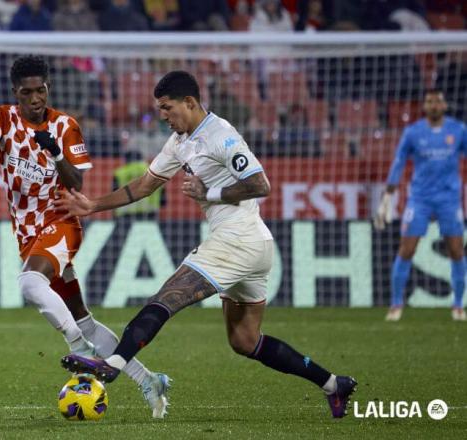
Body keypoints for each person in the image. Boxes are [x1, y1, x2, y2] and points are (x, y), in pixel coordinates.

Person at [55, 70, 357, 418]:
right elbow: (144, 185)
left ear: (190, 102)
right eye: (159, 108)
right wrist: (93, 205)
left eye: (167, 108)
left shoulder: (221, 136)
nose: (163, 115)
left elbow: (261, 184)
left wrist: (209, 192)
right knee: (245, 341)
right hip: (254, 246)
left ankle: (112, 365)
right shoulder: (180, 142)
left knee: (167, 297)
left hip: (238, 240)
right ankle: (334, 384)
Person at [0, 55, 170, 418]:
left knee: (30, 283)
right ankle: (148, 380)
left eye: (40, 90)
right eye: (26, 92)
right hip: (27, 232)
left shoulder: (66, 126)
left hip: (61, 222)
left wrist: (55, 152)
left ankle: (81, 348)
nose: (34, 98)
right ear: (16, 93)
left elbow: (77, 183)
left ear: (48, 88)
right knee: (83, 316)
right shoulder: (3, 117)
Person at [374, 89, 467, 322]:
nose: (433, 105)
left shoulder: (458, 130)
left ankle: (458, 305)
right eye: (429, 101)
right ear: (424, 106)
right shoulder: (413, 132)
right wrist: (387, 199)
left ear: (444, 105)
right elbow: (398, 162)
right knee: (407, 249)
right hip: (420, 199)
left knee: (456, 250)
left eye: (437, 101)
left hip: (449, 198)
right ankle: (396, 304)